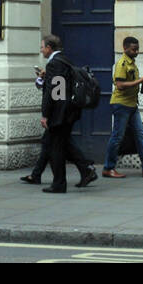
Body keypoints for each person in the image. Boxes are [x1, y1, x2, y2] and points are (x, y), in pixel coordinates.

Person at [39, 34, 97, 193]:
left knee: (56, 149)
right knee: (64, 144)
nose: (41, 50)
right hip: (68, 111)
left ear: (49, 48)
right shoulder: (65, 60)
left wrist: (46, 114)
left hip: (60, 113)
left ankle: (59, 184)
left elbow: (55, 91)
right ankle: (86, 170)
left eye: (42, 47)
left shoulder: (54, 64)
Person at [103, 36, 143, 178]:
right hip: (121, 104)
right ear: (125, 48)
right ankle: (108, 167)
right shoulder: (122, 64)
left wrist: (141, 81)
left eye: (137, 49)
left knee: (141, 135)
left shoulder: (132, 63)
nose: (137, 52)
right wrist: (140, 81)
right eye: (133, 49)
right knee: (117, 137)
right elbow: (119, 85)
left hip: (132, 104)